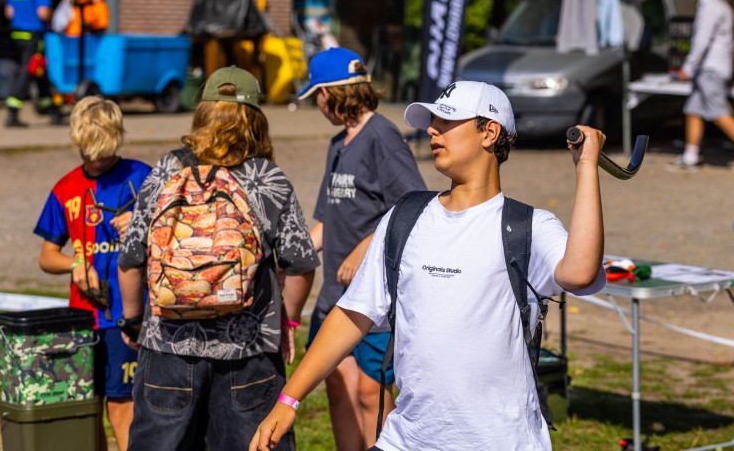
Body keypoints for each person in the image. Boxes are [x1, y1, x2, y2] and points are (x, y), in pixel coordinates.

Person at [250, 80, 608, 451]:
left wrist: (586, 167)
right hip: (405, 440)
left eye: (447, 121)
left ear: (489, 132)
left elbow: (581, 274)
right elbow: (352, 314)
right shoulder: (405, 216)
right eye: (432, 120)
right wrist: (289, 399)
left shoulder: (529, 226)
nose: (432, 130)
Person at [118, 66, 319, 451]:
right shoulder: (266, 178)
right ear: (255, 119)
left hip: (168, 346)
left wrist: (132, 321)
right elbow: (300, 263)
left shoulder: (166, 171)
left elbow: (130, 259)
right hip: (248, 352)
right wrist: (287, 321)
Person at [297, 47, 426, 450]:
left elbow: (412, 207)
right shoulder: (338, 143)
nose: (318, 105)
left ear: (333, 92)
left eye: (318, 95)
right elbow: (325, 221)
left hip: (374, 299)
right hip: (334, 298)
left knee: (372, 393)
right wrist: (291, 256)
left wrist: (364, 249)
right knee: (338, 384)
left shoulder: (383, 137)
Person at [34, 96, 152, 451]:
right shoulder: (65, 188)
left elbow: (176, 234)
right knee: (87, 408)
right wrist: (73, 263)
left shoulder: (143, 178)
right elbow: (46, 257)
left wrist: (143, 225)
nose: (95, 160)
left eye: (103, 153)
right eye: (87, 153)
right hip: (83, 319)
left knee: (122, 405)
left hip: (127, 318)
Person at [667, 0, 734, 172]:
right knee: (693, 110)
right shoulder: (718, 5)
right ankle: (691, 155)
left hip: (710, 68)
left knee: (718, 112)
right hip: (711, 67)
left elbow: (701, 40)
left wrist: (688, 67)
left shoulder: (710, 7)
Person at [4, 0, 58, 128]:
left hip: (17, 34)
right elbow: (43, 12)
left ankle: (49, 107)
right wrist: (53, 15)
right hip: (33, 35)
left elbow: (9, 12)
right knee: (27, 71)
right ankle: (12, 111)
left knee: (40, 69)